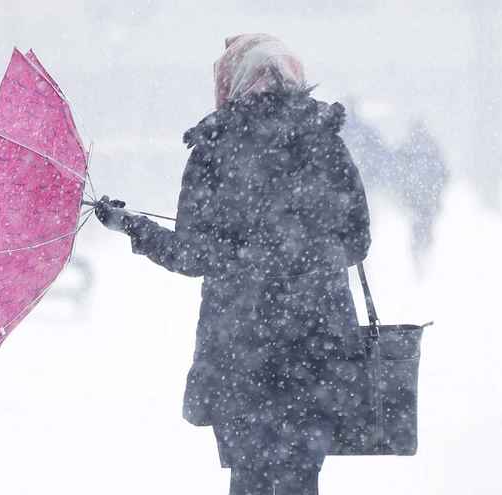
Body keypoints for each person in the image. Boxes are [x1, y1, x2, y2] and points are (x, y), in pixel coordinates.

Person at [94, 34, 371, 495]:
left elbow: (191, 254)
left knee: (250, 476)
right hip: (317, 346)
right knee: (302, 477)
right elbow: (358, 243)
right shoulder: (325, 142)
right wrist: (303, 253)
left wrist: (132, 226)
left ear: (231, 81)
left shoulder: (215, 148)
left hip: (242, 350)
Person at [396, 120, 449, 273]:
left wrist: (404, 192)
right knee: (424, 226)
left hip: (416, 198)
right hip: (426, 197)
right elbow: (443, 173)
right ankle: (424, 256)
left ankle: (420, 258)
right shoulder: (431, 149)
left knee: (418, 227)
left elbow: (399, 173)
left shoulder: (408, 150)